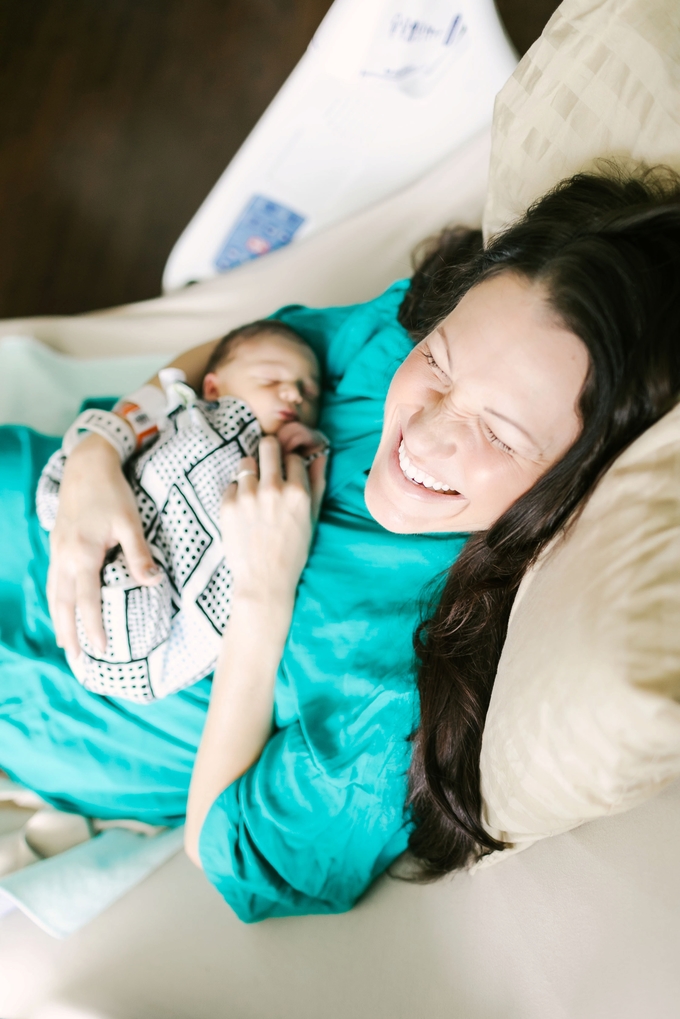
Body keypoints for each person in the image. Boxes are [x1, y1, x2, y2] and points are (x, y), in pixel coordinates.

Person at [1, 168, 679, 922]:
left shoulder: (405, 679)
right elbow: (240, 354)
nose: (422, 435)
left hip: (48, 694)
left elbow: (224, 845)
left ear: (575, 482)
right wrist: (102, 442)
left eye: (498, 433)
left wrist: (263, 591)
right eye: (440, 366)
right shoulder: (389, 344)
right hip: (42, 495)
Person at [34, 319, 327, 701]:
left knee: (132, 591)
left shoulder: (286, 464)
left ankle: (121, 622)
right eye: (271, 379)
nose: (293, 394)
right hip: (107, 506)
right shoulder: (186, 410)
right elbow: (129, 429)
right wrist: (98, 447)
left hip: (166, 597)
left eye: (309, 392)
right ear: (212, 386)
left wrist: (309, 451)